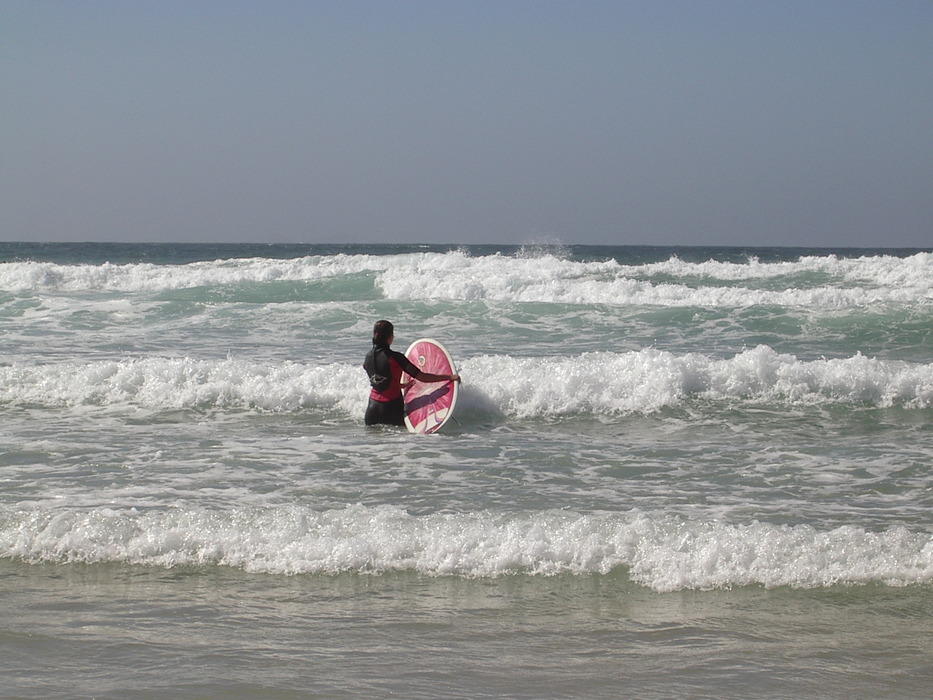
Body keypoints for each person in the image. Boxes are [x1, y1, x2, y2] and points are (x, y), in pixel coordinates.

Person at [363, 320, 460, 426]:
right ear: (390, 337)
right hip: (391, 410)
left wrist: (401, 385)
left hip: (372, 411)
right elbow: (422, 377)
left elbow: (380, 383)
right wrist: (449, 377)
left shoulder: (367, 358)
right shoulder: (395, 357)